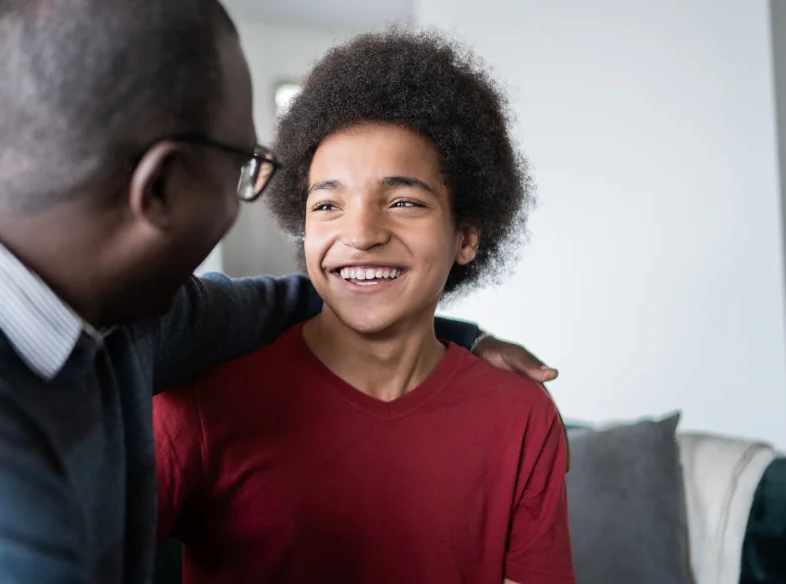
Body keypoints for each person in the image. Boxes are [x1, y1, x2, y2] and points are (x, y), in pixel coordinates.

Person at [0, 3, 554, 584]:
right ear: (162, 188)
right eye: (249, 169)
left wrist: (458, 333)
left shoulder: (104, 317)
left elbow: (302, 299)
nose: (351, 225)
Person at [154, 29, 575, 584]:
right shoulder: (199, 408)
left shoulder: (523, 417)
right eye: (327, 204)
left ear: (467, 235)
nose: (361, 233)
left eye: (403, 202)